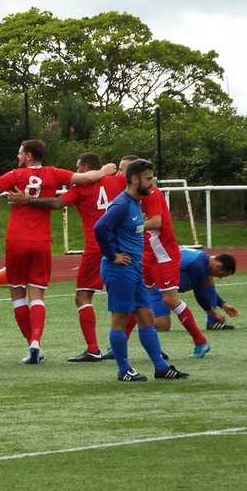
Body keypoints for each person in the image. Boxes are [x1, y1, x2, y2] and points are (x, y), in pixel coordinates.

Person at [0, 140, 115, 364]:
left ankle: (32, 345)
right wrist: (104, 170)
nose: (17, 157)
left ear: (27, 156)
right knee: (37, 294)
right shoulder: (54, 173)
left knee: (17, 293)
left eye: (19, 153)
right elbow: (87, 178)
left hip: (16, 239)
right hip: (41, 241)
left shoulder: (16, 175)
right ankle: (36, 340)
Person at [7, 152, 125, 362]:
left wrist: (28, 200)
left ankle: (93, 347)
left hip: (96, 248)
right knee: (129, 298)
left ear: (86, 167)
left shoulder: (81, 188)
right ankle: (135, 344)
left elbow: (56, 204)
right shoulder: (118, 182)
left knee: (82, 297)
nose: (76, 171)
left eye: (79, 168)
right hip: (122, 247)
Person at [94, 159, 188, 382]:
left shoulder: (136, 203)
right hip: (120, 271)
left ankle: (161, 367)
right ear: (135, 179)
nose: (152, 183)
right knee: (120, 318)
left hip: (133, 270)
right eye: (148, 178)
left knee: (146, 316)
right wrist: (112, 255)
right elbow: (100, 227)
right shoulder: (122, 204)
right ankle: (123, 369)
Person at [120, 181, 212, 358]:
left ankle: (200, 340)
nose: (120, 175)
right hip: (147, 254)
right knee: (137, 299)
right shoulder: (129, 194)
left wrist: (131, 226)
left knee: (170, 299)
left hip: (163, 255)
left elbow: (156, 222)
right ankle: (119, 342)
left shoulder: (151, 193)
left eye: (123, 171)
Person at [149, 248, 239, 331]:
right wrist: (213, 313)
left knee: (208, 279)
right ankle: (137, 318)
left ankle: (213, 322)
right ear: (218, 266)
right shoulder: (198, 266)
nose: (219, 278)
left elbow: (206, 290)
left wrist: (223, 304)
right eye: (221, 275)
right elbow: (200, 294)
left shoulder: (204, 261)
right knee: (162, 326)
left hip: (165, 286)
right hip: (155, 286)